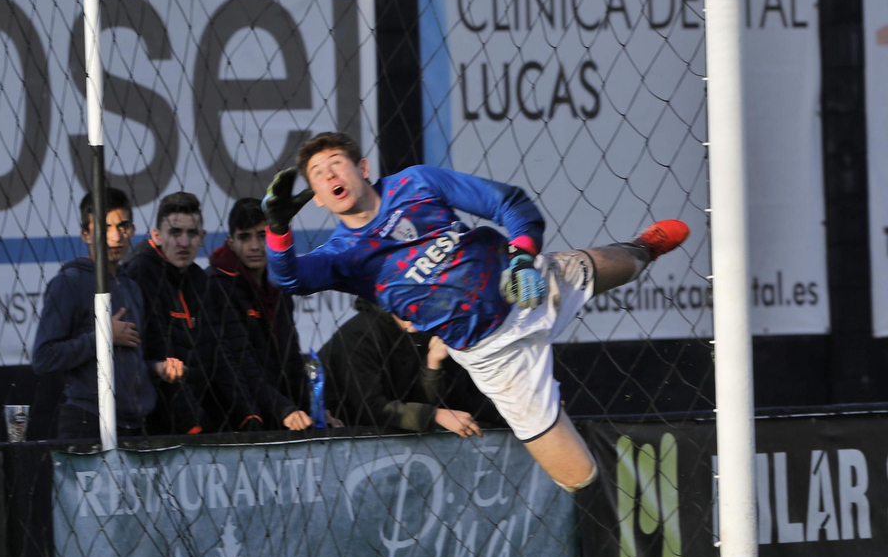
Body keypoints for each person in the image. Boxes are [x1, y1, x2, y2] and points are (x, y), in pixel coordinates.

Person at [264, 132, 688, 492]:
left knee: (628, 263)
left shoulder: (415, 183)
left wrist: (522, 258)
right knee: (579, 477)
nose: (330, 176)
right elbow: (288, 279)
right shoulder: (343, 255)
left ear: (362, 167)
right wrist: (278, 230)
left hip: (531, 284)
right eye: (318, 174)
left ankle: (643, 247)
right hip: (497, 356)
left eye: (336, 164)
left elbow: (510, 203)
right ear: (317, 199)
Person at [32, 187, 169, 440]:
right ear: (85, 234)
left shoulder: (132, 287)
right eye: (105, 227)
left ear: (133, 230)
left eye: (123, 226)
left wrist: (155, 369)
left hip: (134, 427)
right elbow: (43, 358)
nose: (116, 236)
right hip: (87, 423)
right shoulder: (68, 283)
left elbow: (127, 362)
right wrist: (103, 336)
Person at [121, 191, 260, 435]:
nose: (184, 243)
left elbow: (220, 354)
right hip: (154, 428)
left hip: (197, 417)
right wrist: (195, 429)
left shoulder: (198, 279)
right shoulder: (141, 273)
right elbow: (157, 353)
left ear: (202, 237)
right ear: (157, 236)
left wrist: (248, 415)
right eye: (175, 233)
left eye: (192, 233)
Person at [319, 296, 503, 437]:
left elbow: (454, 400)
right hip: (346, 439)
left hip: (407, 443)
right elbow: (370, 409)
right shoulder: (359, 335)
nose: (413, 310)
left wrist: (433, 365)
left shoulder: (431, 328)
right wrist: (434, 415)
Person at [208, 197, 313, 431]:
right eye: (245, 237)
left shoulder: (279, 283)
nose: (255, 246)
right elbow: (242, 362)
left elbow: (291, 355)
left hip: (283, 413)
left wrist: (309, 411)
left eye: (262, 236)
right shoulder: (216, 286)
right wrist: (284, 409)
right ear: (231, 242)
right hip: (240, 420)